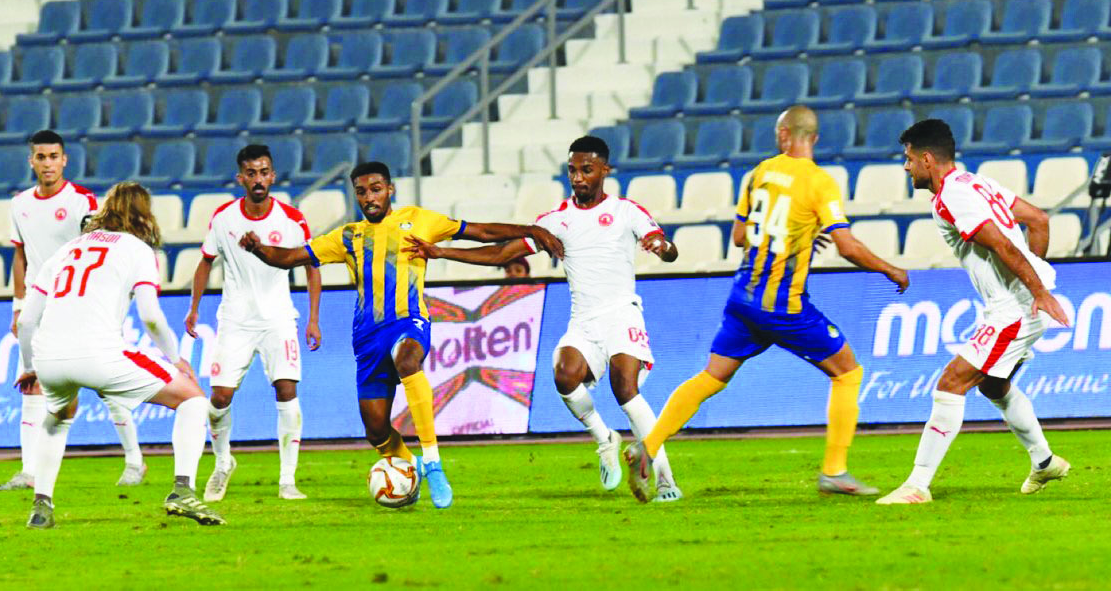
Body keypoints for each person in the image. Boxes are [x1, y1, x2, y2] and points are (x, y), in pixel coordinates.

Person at [623, 105, 910, 502]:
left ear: (783, 134)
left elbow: (740, 237)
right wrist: (890, 269)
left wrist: (800, 235)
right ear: (814, 137)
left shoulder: (758, 173)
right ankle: (834, 470)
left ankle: (648, 447)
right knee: (847, 372)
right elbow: (846, 244)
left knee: (711, 377)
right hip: (782, 306)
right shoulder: (819, 182)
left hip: (742, 297)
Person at [237, 161, 563, 509]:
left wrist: (532, 230)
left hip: (409, 321)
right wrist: (258, 249)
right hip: (366, 338)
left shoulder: (419, 220)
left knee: (408, 360)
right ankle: (411, 468)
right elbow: (290, 257)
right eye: (361, 191)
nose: (369, 197)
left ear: (389, 190)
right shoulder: (347, 236)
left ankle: (433, 462)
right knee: (376, 430)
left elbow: (479, 232)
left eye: (375, 189)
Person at [404, 135, 684, 501]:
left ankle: (665, 480)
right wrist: (442, 252)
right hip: (583, 322)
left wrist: (661, 246)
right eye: (573, 170)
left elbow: (670, 251)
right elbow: (502, 253)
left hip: (621, 314)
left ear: (605, 170)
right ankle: (605, 438)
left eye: (587, 169)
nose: (579, 177)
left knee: (624, 386)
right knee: (565, 375)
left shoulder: (627, 212)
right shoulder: (556, 222)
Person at [876, 119, 1071, 504]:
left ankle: (916, 486)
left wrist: (1033, 291)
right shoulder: (975, 182)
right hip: (1018, 303)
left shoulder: (953, 196)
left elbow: (1002, 244)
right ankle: (1044, 461)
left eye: (909, 159)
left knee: (951, 383)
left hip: (1013, 310)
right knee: (993, 385)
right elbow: (1039, 220)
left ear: (927, 159)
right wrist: (1032, 285)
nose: (906, 167)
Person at [16, 182, 223, 529]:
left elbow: (26, 321)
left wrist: (28, 368)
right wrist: (175, 359)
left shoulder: (66, 250)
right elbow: (151, 316)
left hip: (49, 357)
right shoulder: (137, 249)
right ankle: (183, 490)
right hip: (100, 354)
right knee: (193, 400)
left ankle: (41, 505)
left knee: (58, 418)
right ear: (144, 214)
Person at [0, 130, 145, 492]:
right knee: (31, 384)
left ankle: (134, 460)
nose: (47, 163)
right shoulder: (19, 204)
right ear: (31, 161)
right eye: (41, 157)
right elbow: (20, 256)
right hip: (39, 299)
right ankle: (29, 472)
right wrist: (20, 306)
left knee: (107, 383)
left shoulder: (81, 200)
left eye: (53, 156)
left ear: (64, 160)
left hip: (77, 302)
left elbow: (95, 246)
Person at [184, 144, 322, 502]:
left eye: (264, 172)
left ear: (272, 176)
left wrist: (313, 318)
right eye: (251, 173)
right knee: (219, 398)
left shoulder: (291, 219)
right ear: (240, 177)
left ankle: (287, 480)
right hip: (235, 320)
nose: (258, 179)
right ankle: (223, 462)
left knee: (287, 390)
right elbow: (205, 261)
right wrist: (194, 307)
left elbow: (311, 266)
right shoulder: (224, 218)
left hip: (278, 318)